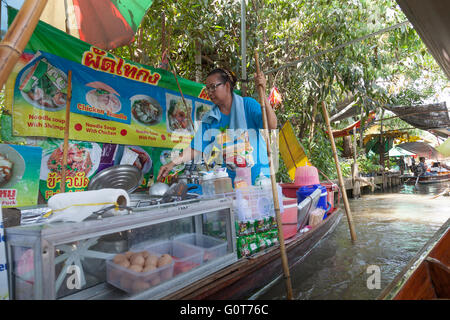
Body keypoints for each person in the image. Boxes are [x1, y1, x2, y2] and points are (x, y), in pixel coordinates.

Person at [157, 68, 277, 184]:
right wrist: (171, 164)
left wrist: (263, 93)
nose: (209, 92)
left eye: (213, 87)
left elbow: (271, 125)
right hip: (233, 181)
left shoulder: (247, 105)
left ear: (227, 86)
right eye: (207, 89)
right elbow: (195, 148)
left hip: (259, 178)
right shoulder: (210, 118)